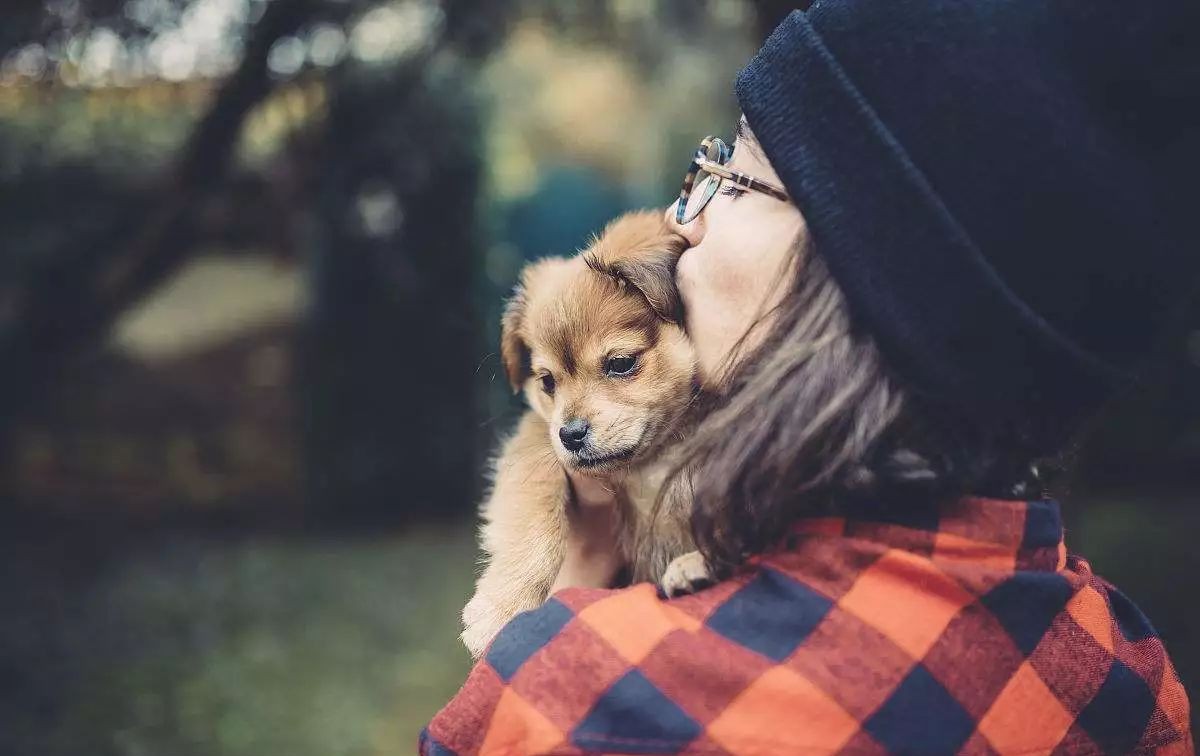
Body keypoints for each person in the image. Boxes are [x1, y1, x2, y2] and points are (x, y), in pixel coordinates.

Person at [422, 1, 1198, 753]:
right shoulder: (1129, 678)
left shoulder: (576, 702)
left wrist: (566, 602)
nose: (684, 222)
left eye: (735, 175)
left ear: (852, 269)